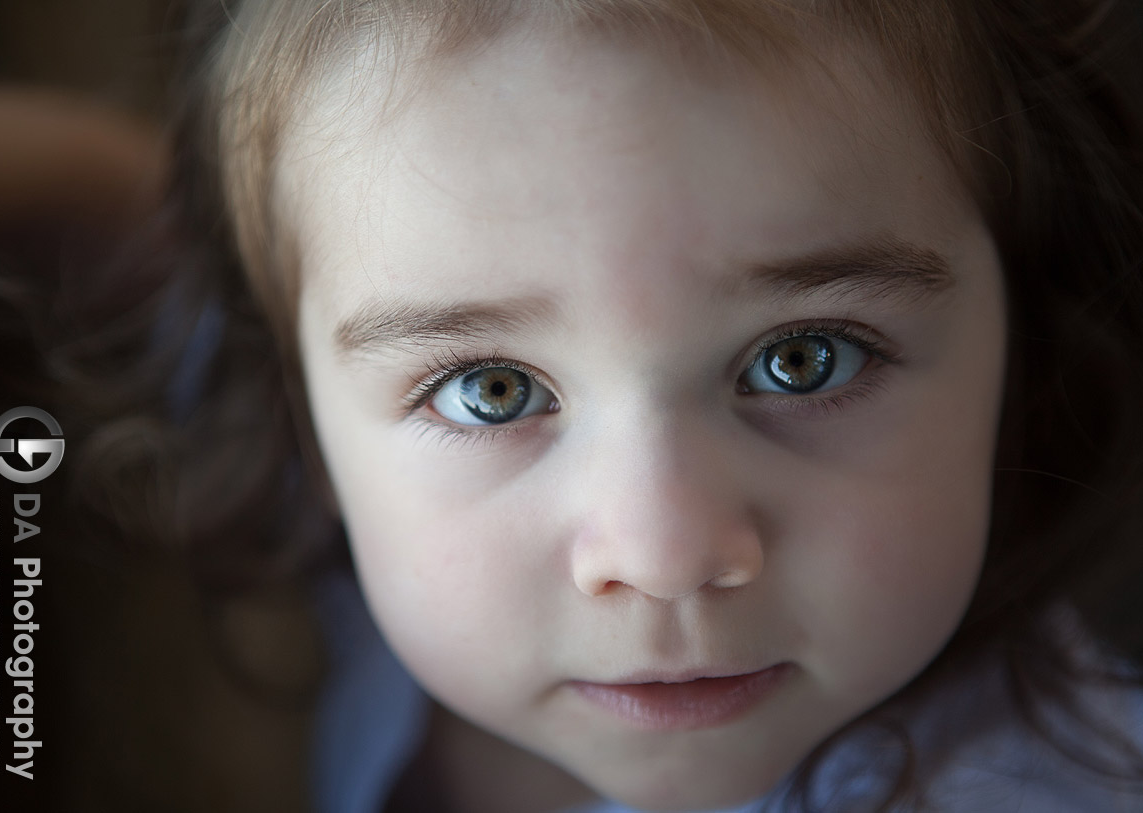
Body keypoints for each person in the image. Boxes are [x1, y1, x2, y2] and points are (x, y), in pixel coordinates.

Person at [67, 0, 1143, 810]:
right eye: (492, 393)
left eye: (803, 359)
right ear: (304, 422)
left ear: (1022, 334)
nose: (662, 551)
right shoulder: (349, 486)